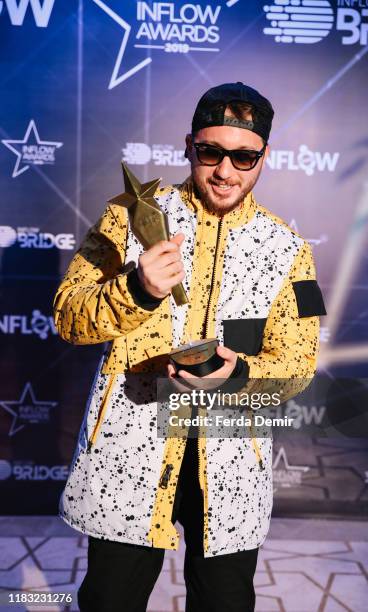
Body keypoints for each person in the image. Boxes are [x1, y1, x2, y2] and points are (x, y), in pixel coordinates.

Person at [53, 82, 326, 612]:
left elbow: (300, 361)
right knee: (110, 601)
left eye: (244, 157)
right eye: (211, 152)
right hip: (133, 439)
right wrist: (137, 290)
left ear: (264, 157)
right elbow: (69, 315)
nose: (226, 171)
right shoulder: (127, 216)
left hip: (231, 450)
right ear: (187, 146)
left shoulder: (291, 252)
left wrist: (238, 375)